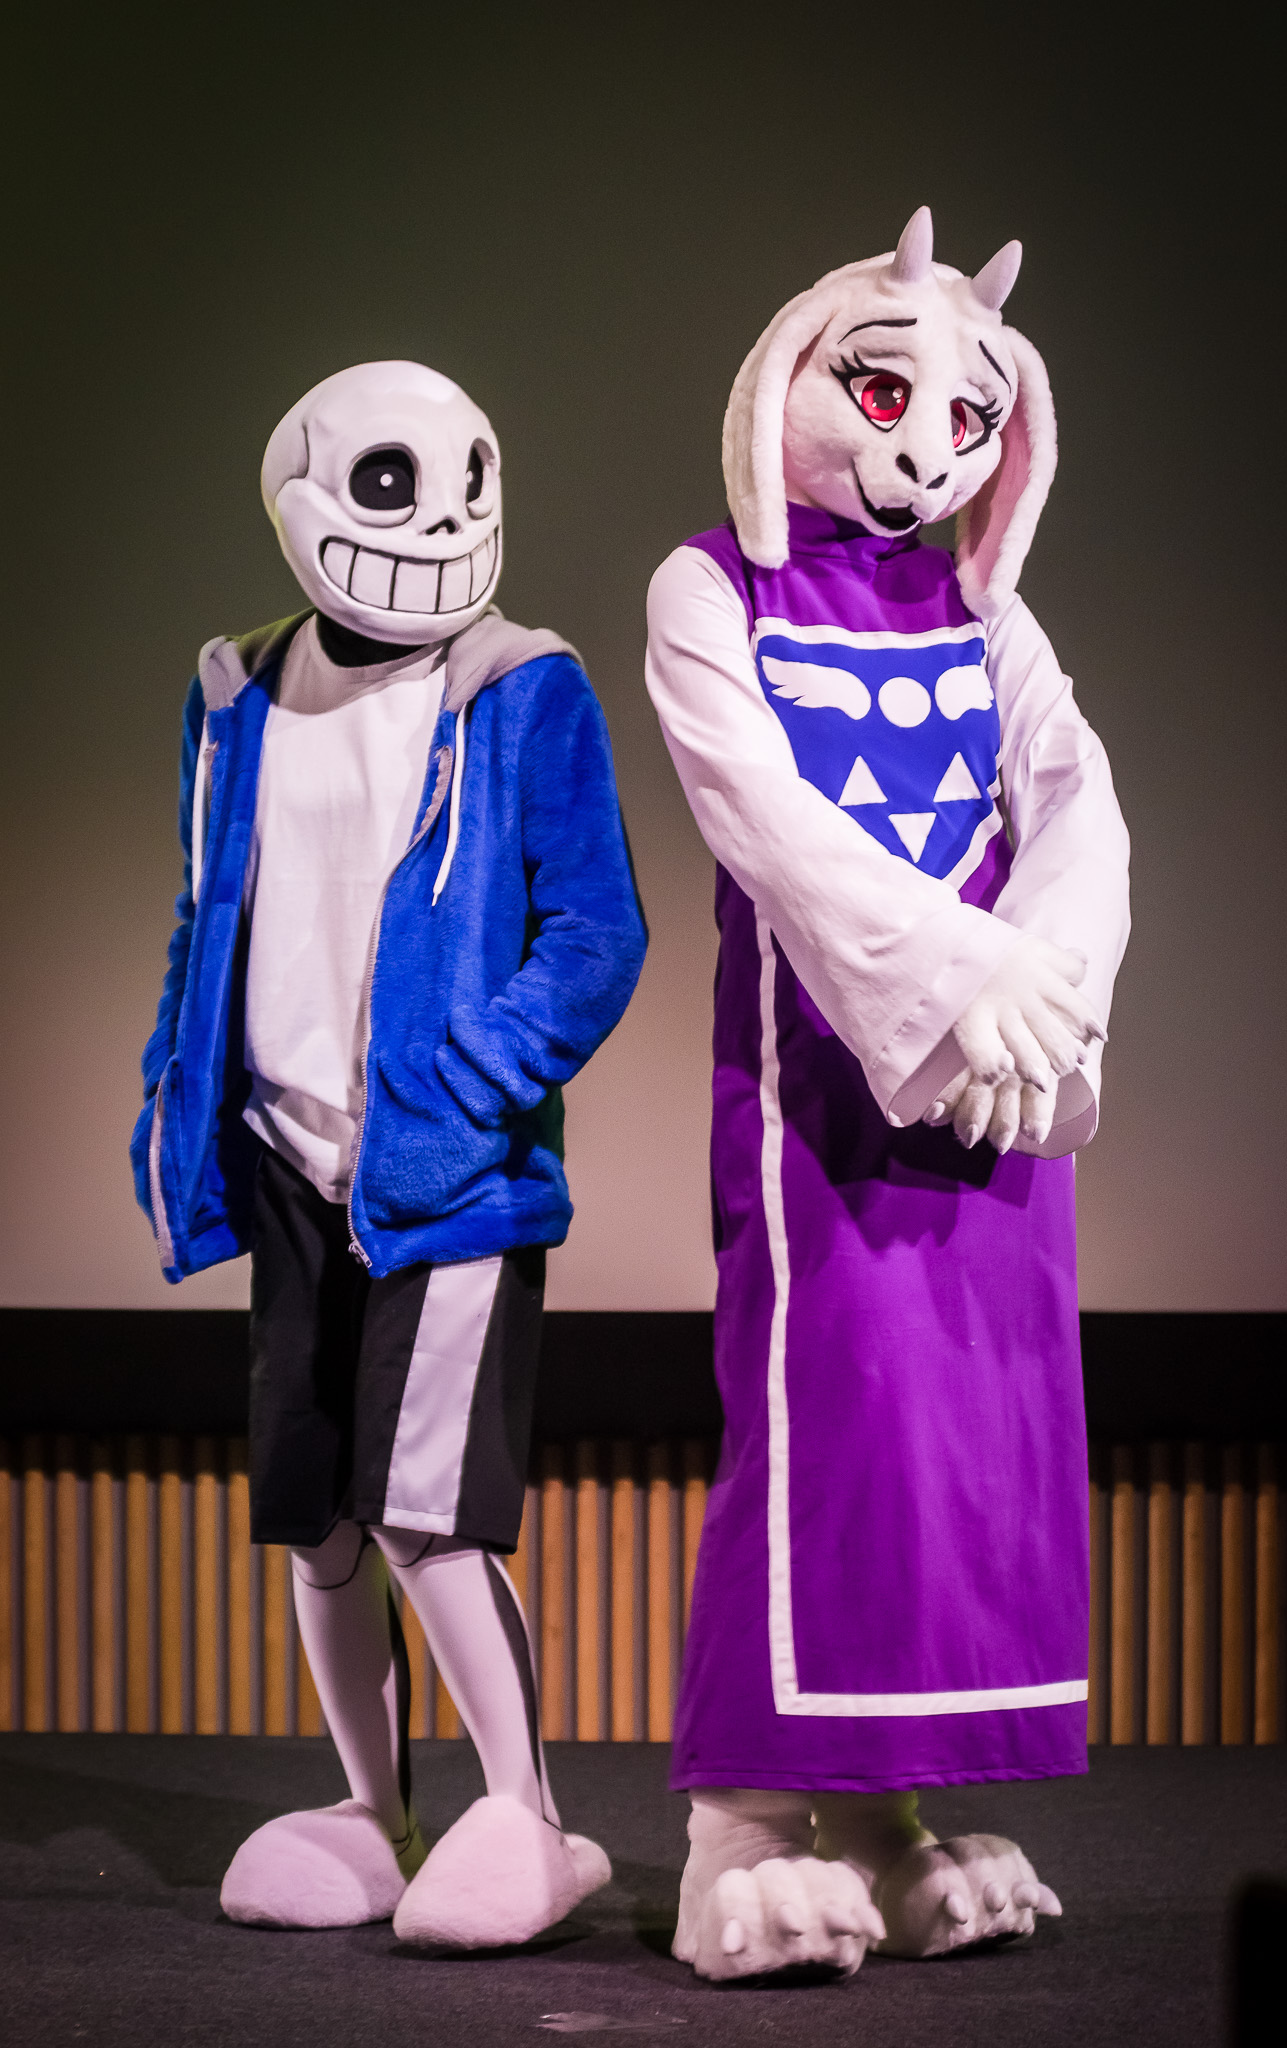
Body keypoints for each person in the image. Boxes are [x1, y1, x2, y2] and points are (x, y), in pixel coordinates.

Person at [645, 208, 1129, 1978]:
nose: (930, 446)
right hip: (824, 1098)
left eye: (971, 416)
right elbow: (768, 828)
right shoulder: (712, 590)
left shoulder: (991, 622)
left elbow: (1078, 808)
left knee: (966, 1440)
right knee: (826, 1426)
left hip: (994, 1109)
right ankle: (739, 1829)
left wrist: (1039, 1003)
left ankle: (885, 1819)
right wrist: (954, 982)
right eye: (882, 393)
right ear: (791, 378)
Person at [132, 359, 647, 1946]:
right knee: (317, 1521)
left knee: (428, 1513)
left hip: (448, 1180)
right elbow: (206, 912)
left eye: (461, 483)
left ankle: (524, 1817)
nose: (433, 523)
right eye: (385, 485)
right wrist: (178, 1091)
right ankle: (376, 1811)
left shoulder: (522, 688)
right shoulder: (237, 691)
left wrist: (464, 1088)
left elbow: (595, 932)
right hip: (289, 1159)